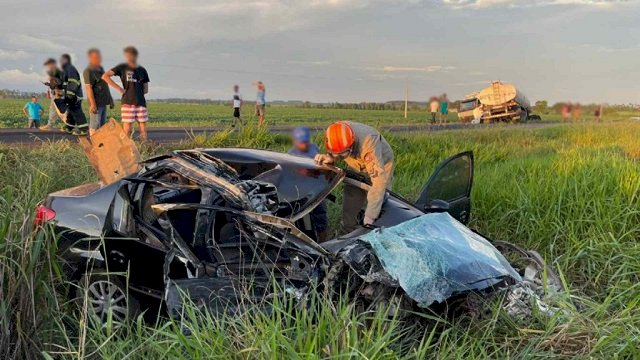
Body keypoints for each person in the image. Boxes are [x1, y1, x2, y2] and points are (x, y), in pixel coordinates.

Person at [314, 121, 394, 233]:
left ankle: (374, 232)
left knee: (381, 202)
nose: (338, 156)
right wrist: (330, 157)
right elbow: (336, 150)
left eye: (341, 154)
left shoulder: (368, 141)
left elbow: (379, 181)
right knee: (351, 198)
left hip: (381, 164)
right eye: (334, 153)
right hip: (356, 165)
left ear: (351, 145)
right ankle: (348, 231)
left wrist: (370, 215)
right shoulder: (335, 132)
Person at [288, 127, 329, 242]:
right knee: (300, 220)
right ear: (295, 141)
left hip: (317, 190)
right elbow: (290, 173)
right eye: (301, 142)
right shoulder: (291, 154)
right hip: (301, 193)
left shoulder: (314, 147)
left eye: (306, 142)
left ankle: (323, 244)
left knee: (321, 218)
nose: (304, 145)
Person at [102, 46, 150, 141]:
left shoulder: (142, 70)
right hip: (129, 102)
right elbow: (105, 76)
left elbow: (146, 89)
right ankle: (125, 149)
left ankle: (143, 148)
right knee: (129, 128)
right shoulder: (122, 67)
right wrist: (119, 88)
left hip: (139, 102)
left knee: (140, 128)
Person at [83, 48, 114, 136]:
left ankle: (101, 146)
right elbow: (88, 88)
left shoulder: (100, 69)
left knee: (102, 126)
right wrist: (93, 104)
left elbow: (105, 85)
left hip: (103, 102)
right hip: (96, 103)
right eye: (95, 57)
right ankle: (94, 144)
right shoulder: (88, 71)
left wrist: (110, 99)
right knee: (95, 126)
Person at [59, 54, 88, 135]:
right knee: (71, 111)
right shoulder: (66, 70)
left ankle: (84, 129)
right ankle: (69, 127)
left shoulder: (70, 68)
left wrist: (69, 94)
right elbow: (64, 83)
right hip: (71, 95)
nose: (60, 62)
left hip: (74, 95)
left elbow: (73, 81)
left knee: (76, 111)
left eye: (61, 60)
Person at [40, 58, 63, 130]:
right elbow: (54, 84)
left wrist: (52, 81)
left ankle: (70, 126)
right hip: (55, 94)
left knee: (63, 111)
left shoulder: (58, 72)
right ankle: (49, 125)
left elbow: (59, 83)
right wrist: (49, 85)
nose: (48, 67)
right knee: (53, 109)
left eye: (49, 65)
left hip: (58, 94)